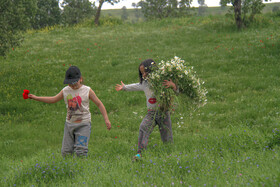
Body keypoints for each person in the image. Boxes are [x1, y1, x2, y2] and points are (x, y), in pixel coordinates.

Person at [28, 66, 111, 157]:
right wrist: (36, 98)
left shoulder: (87, 90)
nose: (73, 86)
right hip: (69, 125)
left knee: (81, 151)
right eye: (70, 84)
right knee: (66, 152)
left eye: (75, 83)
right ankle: (69, 169)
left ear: (81, 79)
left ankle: (81, 168)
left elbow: (99, 104)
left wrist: (106, 119)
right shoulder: (65, 91)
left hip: (84, 124)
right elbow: (53, 99)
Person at [115, 59, 178, 161]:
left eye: (145, 72)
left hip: (163, 113)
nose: (143, 75)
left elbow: (176, 92)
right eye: (142, 73)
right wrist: (124, 87)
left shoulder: (163, 82)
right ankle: (140, 153)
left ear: (152, 70)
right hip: (151, 113)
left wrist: (173, 86)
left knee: (167, 135)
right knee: (143, 127)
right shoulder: (145, 84)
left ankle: (170, 155)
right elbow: (136, 86)